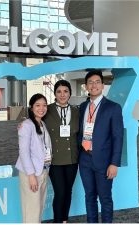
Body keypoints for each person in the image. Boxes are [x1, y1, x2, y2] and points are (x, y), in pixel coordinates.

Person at [78, 70, 124, 223]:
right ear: (86, 86)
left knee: (105, 199)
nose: (94, 85)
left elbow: (118, 137)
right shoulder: (82, 107)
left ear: (103, 85)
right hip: (84, 159)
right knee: (89, 197)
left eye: (97, 82)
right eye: (90, 82)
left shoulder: (113, 107)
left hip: (104, 162)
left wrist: (114, 163)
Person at [43, 80, 79, 223]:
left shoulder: (77, 111)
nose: (62, 94)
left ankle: (64, 220)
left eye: (66, 91)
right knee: (60, 192)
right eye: (59, 91)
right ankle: (58, 221)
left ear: (70, 93)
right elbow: (34, 119)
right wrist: (23, 124)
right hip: (55, 158)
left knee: (68, 191)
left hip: (72, 158)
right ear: (55, 93)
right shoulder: (47, 109)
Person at [15, 93, 52, 223]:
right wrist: (31, 175)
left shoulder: (42, 123)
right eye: (37, 105)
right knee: (31, 212)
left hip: (42, 171)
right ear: (31, 108)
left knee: (39, 209)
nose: (41, 108)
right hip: (31, 174)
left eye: (44, 105)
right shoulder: (26, 125)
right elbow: (23, 152)